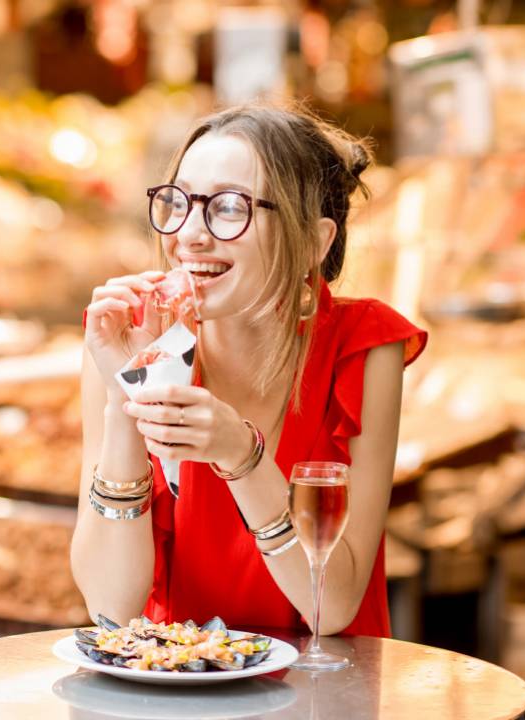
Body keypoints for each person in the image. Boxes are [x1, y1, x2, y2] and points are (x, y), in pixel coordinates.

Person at [73, 103, 427, 637]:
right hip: (177, 687)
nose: (189, 234)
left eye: (229, 207)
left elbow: (330, 608)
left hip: (322, 694)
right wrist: (130, 397)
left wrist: (241, 454)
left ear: (313, 241)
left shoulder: (364, 347)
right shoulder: (127, 336)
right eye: (180, 202)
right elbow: (110, 609)